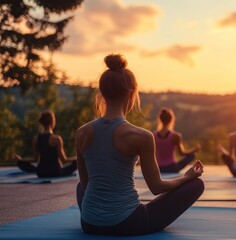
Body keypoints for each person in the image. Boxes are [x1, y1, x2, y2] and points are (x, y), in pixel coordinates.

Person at [75, 54, 204, 236]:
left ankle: (98, 215)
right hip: (128, 223)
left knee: (81, 187)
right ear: (131, 94)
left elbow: (86, 184)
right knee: (197, 185)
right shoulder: (141, 136)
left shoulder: (82, 132)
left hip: (88, 223)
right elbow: (156, 187)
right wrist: (187, 177)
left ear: (102, 93)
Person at [12, 110, 77, 178]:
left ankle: (22, 162)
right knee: (77, 162)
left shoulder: (36, 139)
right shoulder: (57, 139)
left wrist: (21, 159)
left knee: (20, 163)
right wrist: (77, 158)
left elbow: (35, 159)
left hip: (41, 172)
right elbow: (64, 160)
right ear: (53, 121)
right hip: (56, 172)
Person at [154, 108, 201, 173]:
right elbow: (182, 153)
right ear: (171, 120)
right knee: (192, 155)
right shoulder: (175, 136)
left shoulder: (154, 135)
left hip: (158, 168)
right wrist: (194, 150)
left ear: (160, 120)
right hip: (172, 168)